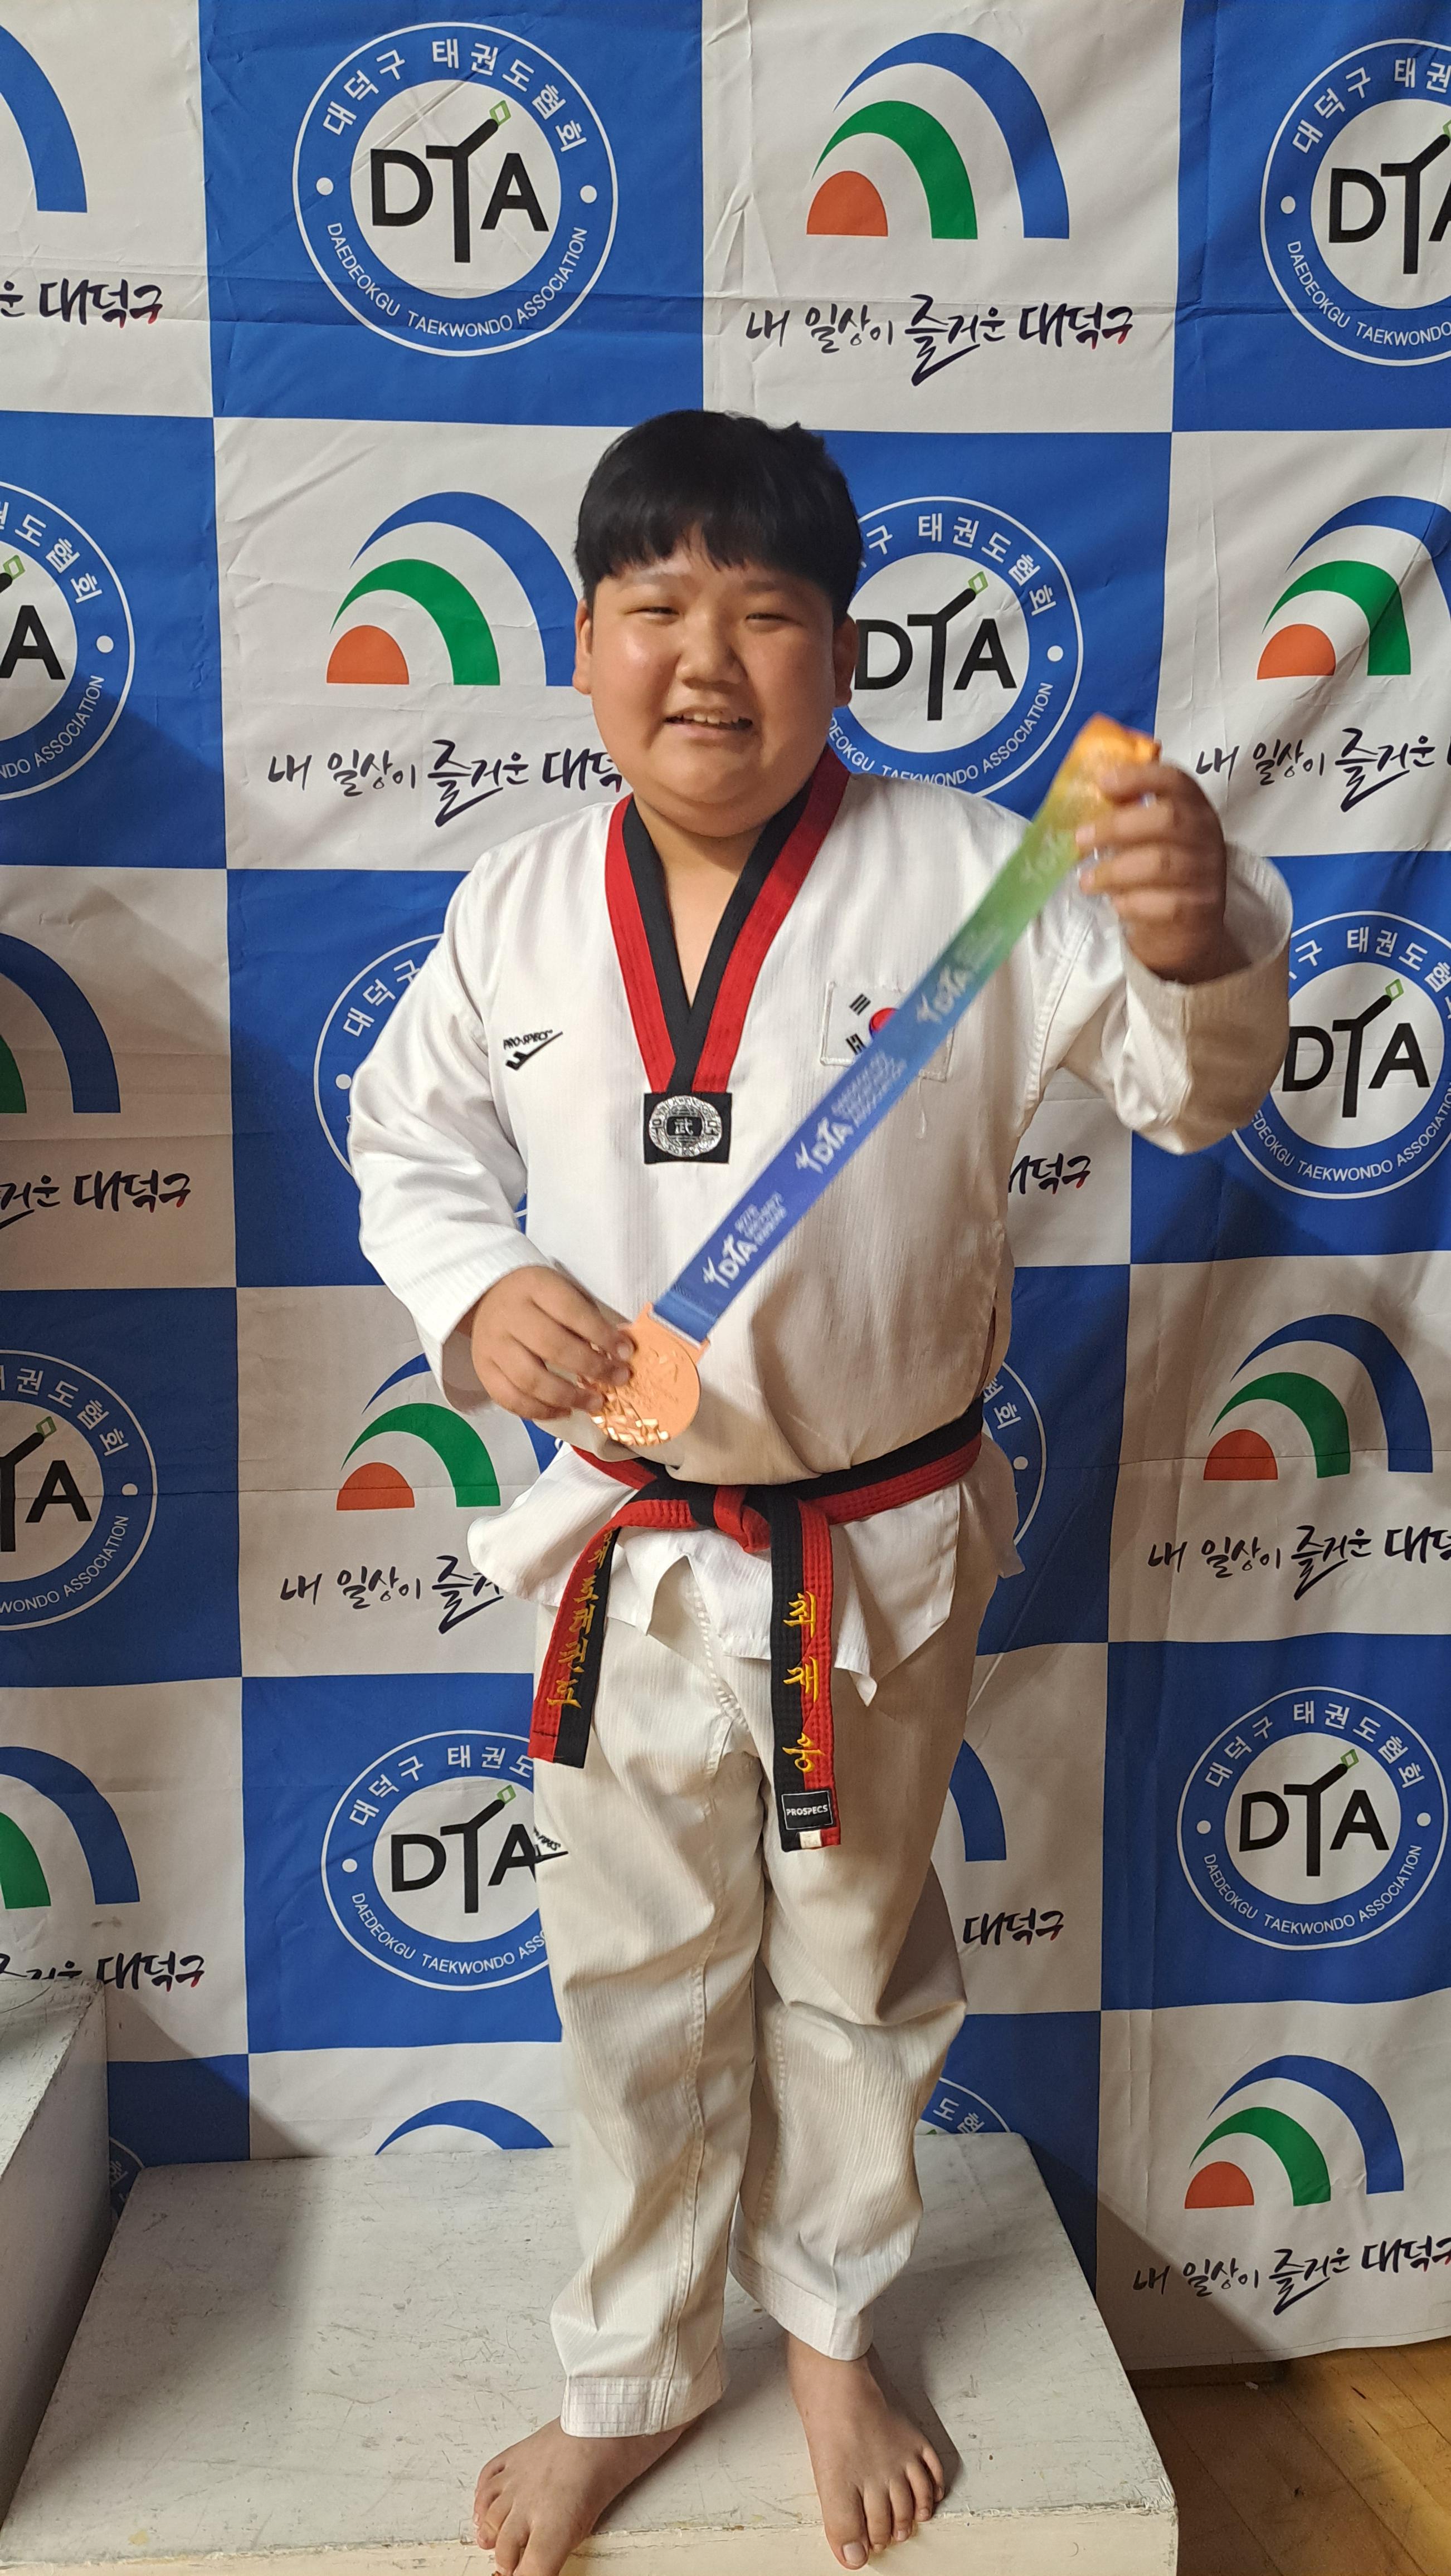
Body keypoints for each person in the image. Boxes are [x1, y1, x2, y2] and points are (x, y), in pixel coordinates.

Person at [349, 409, 1290, 2576]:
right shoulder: (515, 903)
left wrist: (1199, 934)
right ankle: (631, 2372)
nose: (706, 660)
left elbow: (1187, 1090)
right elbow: (409, 1144)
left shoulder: (976, 872)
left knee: (858, 1962)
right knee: (631, 1974)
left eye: (765, 613)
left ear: (846, 650)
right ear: (581, 642)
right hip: (626, 1554)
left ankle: (835, 2328)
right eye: (655, 608)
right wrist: (476, 1286)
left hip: (872, 1551)